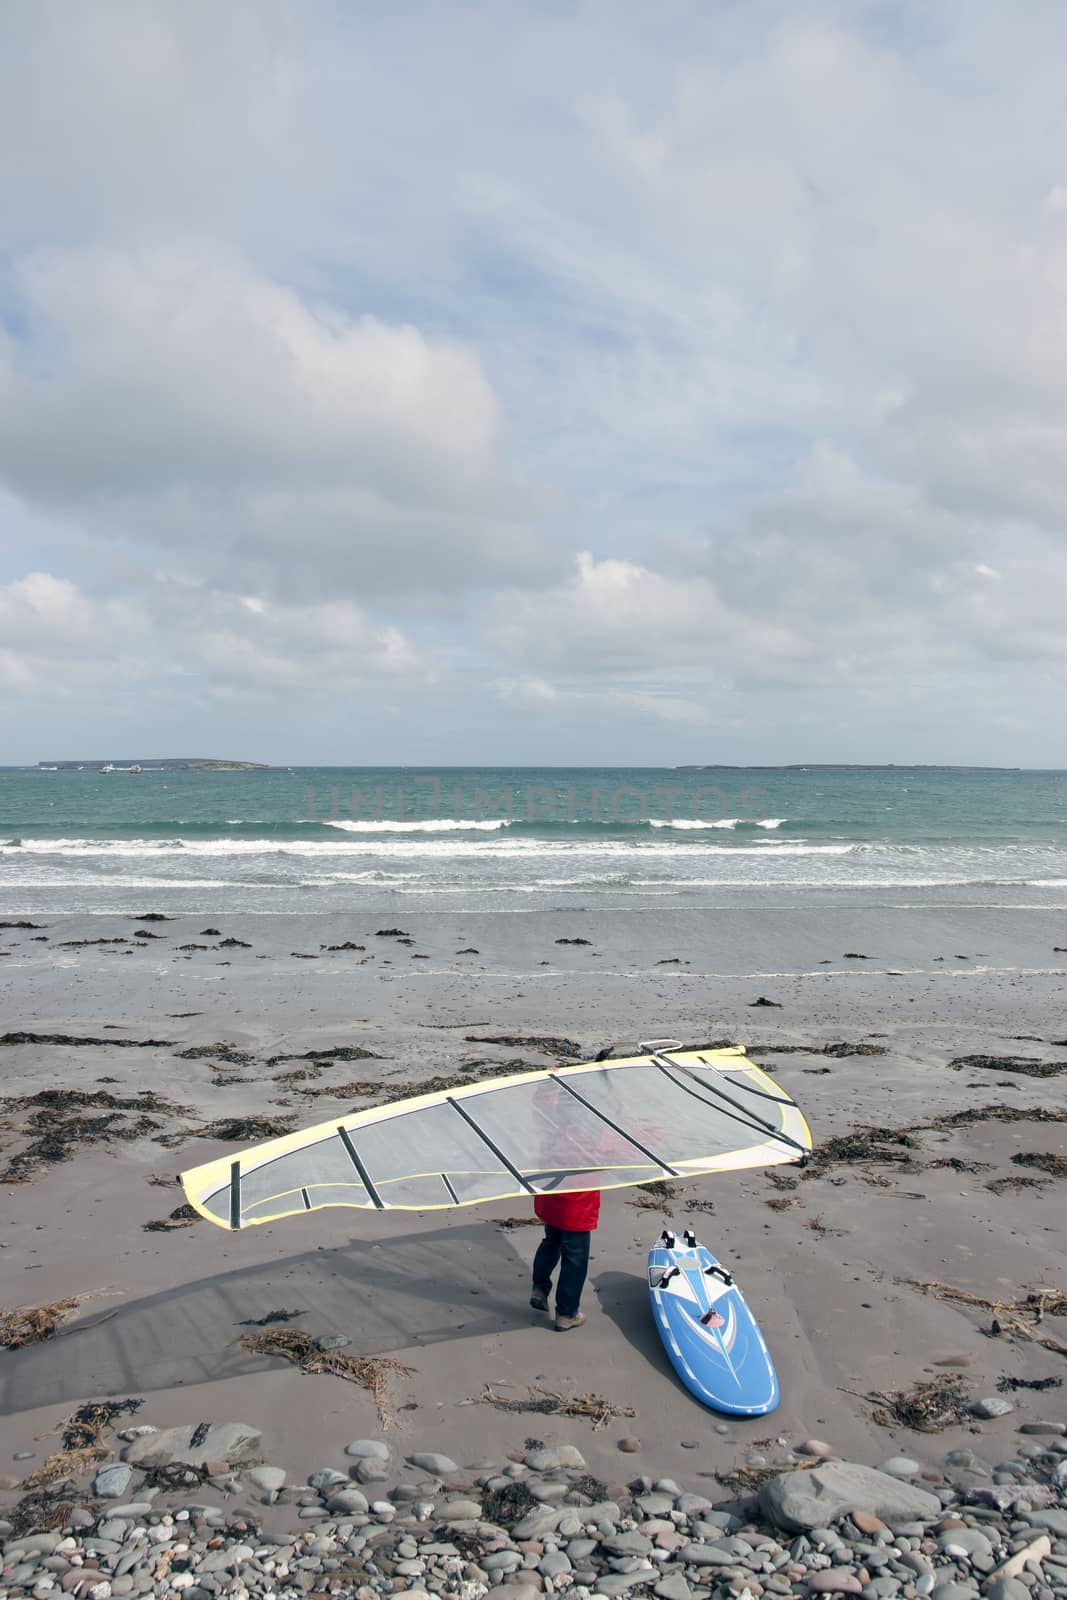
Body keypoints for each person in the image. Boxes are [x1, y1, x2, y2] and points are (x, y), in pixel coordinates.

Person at [529, 1188, 600, 1330]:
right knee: (575, 1258)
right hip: (579, 1201)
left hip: (552, 1194)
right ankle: (566, 1314)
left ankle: (540, 1288)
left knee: (551, 1242)